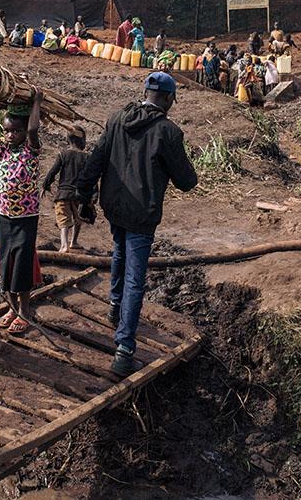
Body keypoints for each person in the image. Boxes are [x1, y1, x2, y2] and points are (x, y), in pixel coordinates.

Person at [76, 73, 197, 376]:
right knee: (135, 277)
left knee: (119, 249)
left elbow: (96, 160)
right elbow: (186, 181)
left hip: (114, 206)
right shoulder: (168, 132)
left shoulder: (116, 119)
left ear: (144, 92)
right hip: (142, 213)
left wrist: (84, 196)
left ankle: (115, 308)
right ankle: (124, 349)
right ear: (169, 100)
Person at [0, 91, 43, 335]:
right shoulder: (2, 150)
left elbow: (34, 131)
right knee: (6, 262)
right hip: (4, 215)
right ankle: (12, 308)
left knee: (22, 264)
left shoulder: (31, 151)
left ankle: (24, 311)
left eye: (16, 131)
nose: (11, 135)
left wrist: (36, 102)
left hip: (25, 218)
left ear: (24, 132)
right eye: (7, 131)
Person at [42, 129, 93, 253]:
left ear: (68, 140)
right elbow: (90, 177)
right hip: (79, 194)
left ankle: (64, 245)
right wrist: (92, 195)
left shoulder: (63, 154)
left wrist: (45, 185)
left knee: (63, 219)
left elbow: (53, 171)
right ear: (82, 140)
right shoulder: (86, 157)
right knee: (78, 218)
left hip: (63, 194)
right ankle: (73, 242)